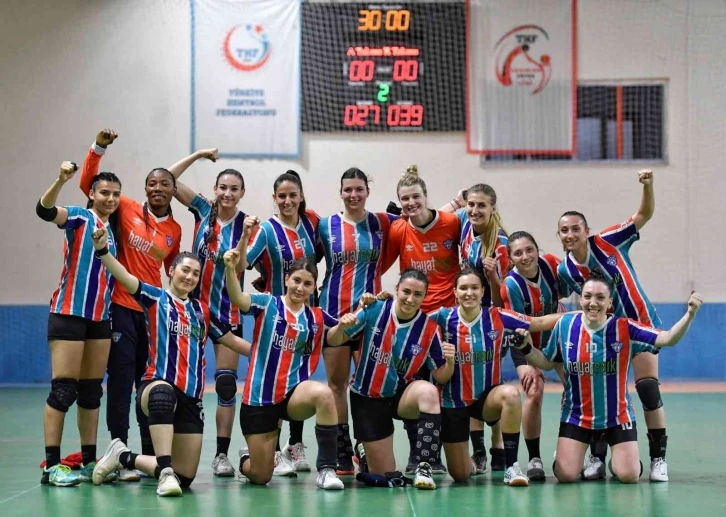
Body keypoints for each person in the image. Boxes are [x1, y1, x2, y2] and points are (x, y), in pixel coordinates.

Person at [90, 230, 247, 496]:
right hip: (156, 386)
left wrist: (265, 353)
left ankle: (122, 456)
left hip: (191, 397)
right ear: (171, 271)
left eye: (195, 273)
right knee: (163, 395)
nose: (190, 277)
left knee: (184, 476)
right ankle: (164, 474)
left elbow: (230, 340)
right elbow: (124, 276)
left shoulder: (202, 311)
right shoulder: (155, 298)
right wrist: (103, 251)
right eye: (185, 270)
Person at [513, 273, 703, 484]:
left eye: (600, 297)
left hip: (617, 417)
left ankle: (620, 460)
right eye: (587, 296)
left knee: (629, 475)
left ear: (610, 302)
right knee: (565, 475)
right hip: (577, 416)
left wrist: (690, 314)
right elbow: (547, 362)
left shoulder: (625, 328)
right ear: (580, 300)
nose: (593, 303)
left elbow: (668, 338)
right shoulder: (565, 325)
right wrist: (527, 348)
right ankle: (576, 454)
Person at [80, 129, 183, 480]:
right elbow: (89, 184)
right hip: (122, 306)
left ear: (172, 190)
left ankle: (147, 455)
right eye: (152, 184)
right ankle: (119, 450)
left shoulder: (174, 230)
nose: (157, 188)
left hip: (152, 314)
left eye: (164, 184)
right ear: (145, 189)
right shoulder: (125, 208)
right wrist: (98, 149)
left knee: (148, 382)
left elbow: (173, 273)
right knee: (122, 381)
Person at [556, 169, 670, 481]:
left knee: (647, 389)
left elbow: (644, 214)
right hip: (604, 334)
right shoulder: (566, 270)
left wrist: (648, 186)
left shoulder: (608, 241)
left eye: (575, 229)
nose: (570, 234)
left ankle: (658, 458)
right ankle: (596, 456)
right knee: (597, 388)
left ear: (586, 230)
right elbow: (565, 301)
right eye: (564, 230)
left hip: (639, 324)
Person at [223, 251, 353, 490]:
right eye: (297, 280)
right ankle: (246, 458)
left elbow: (334, 338)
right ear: (286, 279)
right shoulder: (267, 303)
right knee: (261, 476)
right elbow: (238, 298)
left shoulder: (316, 317)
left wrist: (345, 324)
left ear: (313, 288)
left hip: (292, 396)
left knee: (324, 394)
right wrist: (231, 269)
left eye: (307, 284)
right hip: (259, 399)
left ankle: (326, 469)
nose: (300, 288)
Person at [432, 268, 564, 486]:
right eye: (463, 288)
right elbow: (412, 317)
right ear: (455, 292)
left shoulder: (498, 316)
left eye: (474, 287)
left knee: (511, 394)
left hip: (487, 399)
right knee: (461, 475)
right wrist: (380, 303)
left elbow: (538, 322)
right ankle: (470, 463)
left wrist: (581, 314)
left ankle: (511, 467)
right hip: (453, 402)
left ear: (482, 291)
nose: (469, 293)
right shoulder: (442, 317)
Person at [165, 149, 253, 477]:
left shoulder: (247, 224)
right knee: (179, 383)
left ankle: (221, 455)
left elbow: (242, 267)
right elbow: (167, 179)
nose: (227, 193)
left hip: (228, 315)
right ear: (215, 189)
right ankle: (165, 452)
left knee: (226, 386)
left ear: (242, 193)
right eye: (223, 187)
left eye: (234, 189)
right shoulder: (203, 210)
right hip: (192, 311)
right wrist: (198, 155)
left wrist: (245, 238)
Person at [35, 161, 122, 486]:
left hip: (100, 318)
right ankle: (52, 466)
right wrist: (61, 180)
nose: (110, 198)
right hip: (68, 313)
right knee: (63, 390)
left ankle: (88, 461)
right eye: (104, 192)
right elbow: (44, 210)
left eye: (115, 194)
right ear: (92, 194)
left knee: (90, 393)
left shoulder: (113, 233)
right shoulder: (80, 217)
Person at [237, 170, 320, 474]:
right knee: (275, 378)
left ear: (301, 196)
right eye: (281, 196)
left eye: (292, 195)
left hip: (307, 314)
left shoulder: (312, 223)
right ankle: (267, 450)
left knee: (299, 377)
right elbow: (244, 263)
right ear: (274, 198)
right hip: (275, 316)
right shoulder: (267, 230)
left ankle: (294, 445)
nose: (287, 201)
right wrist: (243, 239)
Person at [343, 269, 456, 490]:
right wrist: (345, 321)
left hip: (400, 395)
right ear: (396, 289)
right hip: (368, 396)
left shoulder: (430, 329)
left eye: (417, 294)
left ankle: (424, 465)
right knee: (386, 476)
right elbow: (337, 337)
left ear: (424, 297)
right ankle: (364, 452)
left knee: (428, 392)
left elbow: (440, 375)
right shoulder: (375, 308)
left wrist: (450, 362)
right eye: (406, 291)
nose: (410, 299)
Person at [380, 166, 461, 474]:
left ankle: (468, 450)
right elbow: (381, 265)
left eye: (416, 196)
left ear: (426, 196)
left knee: (448, 384)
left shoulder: (452, 222)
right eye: (405, 199)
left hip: (448, 318)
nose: (411, 202)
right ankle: (421, 455)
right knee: (415, 384)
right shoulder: (399, 230)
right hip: (415, 320)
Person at [317, 167, 398, 474]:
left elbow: (419, 221)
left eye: (358, 189)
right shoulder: (325, 225)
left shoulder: (382, 222)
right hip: (334, 315)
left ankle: (364, 445)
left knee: (366, 386)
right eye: (348, 189)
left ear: (367, 192)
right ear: (340, 192)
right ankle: (341, 448)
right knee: (336, 385)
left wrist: (456, 204)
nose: (353, 195)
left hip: (370, 316)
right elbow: (302, 259)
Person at [442, 182, 510, 472]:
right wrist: (457, 201)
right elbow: (434, 220)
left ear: (493, 208)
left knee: (487, 382)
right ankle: (479, 451)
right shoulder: (464, 221)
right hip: (464, 315)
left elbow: (502, 299)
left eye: (482, 205)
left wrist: (493, 278)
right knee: (466, 380)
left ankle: (497, 447)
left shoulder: (500, 244)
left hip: (490, 319)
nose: (475, 210)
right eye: (472, 204)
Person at [501, 231, 565, 480]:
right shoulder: (510, 286)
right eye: (518, 253)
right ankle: (534, 458)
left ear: (537, 250)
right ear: (511, 259)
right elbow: (520, 327)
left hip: (557, 338)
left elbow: (573, 285)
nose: (525, 256)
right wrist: (530, 363)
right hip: (525, 343)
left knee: (577, 389)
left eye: (529, 250)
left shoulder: (551, 264)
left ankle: (569, 447)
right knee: (534, 390)